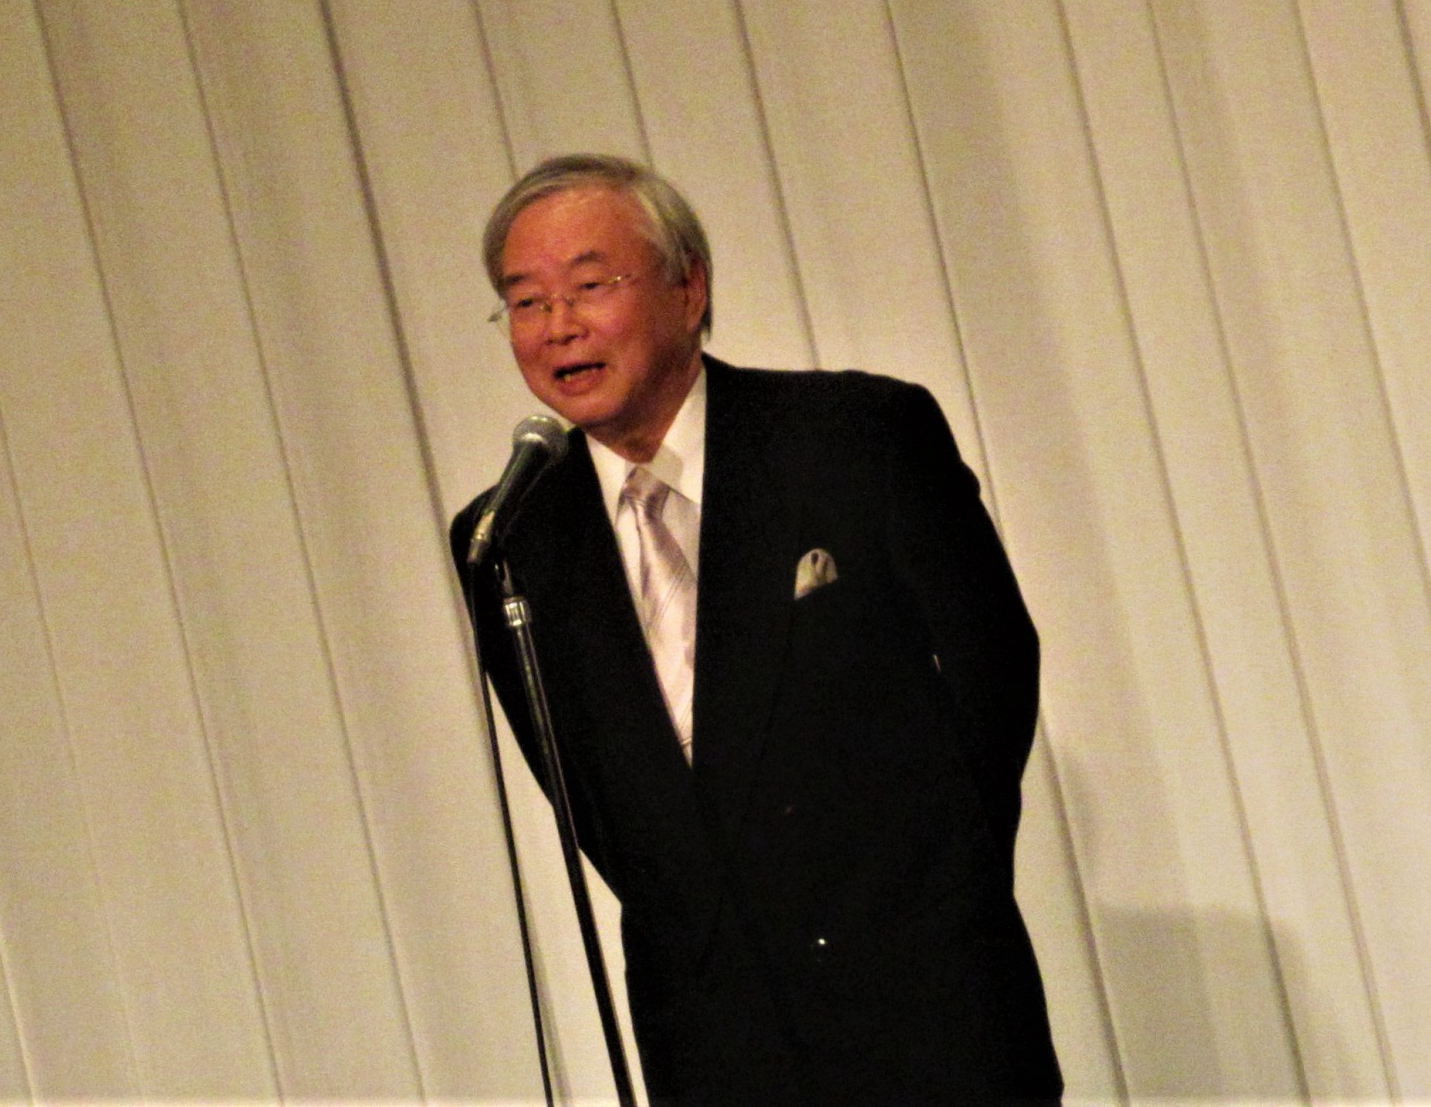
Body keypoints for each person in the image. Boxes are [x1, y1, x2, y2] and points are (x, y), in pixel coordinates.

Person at [451, 154, 1061, 1106]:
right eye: (525, 302)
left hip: (925, 1006)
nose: (557, 325)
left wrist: (943, 894)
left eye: (590, 286)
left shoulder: (854, 436)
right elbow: (596, 802)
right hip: (715, 1042)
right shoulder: (512, 534)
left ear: (689, 287)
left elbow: (994, 664)